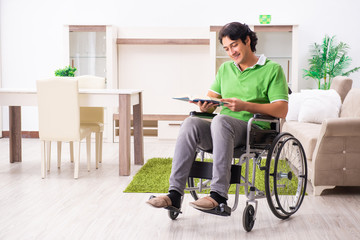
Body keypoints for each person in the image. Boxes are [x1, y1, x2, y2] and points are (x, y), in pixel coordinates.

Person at [147, 22, 289, 212]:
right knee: (190, 123)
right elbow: (213, 99)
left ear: (247, 41)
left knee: (221, 121)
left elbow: (281, 110)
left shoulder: (272, 69)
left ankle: (219, 195)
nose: (231, 52)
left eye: (234, 45)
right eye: (227, 48)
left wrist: (244, 105)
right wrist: (205, 107)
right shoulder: (225, 69)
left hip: (254, 131)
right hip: (222, 130)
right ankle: (174, 194)